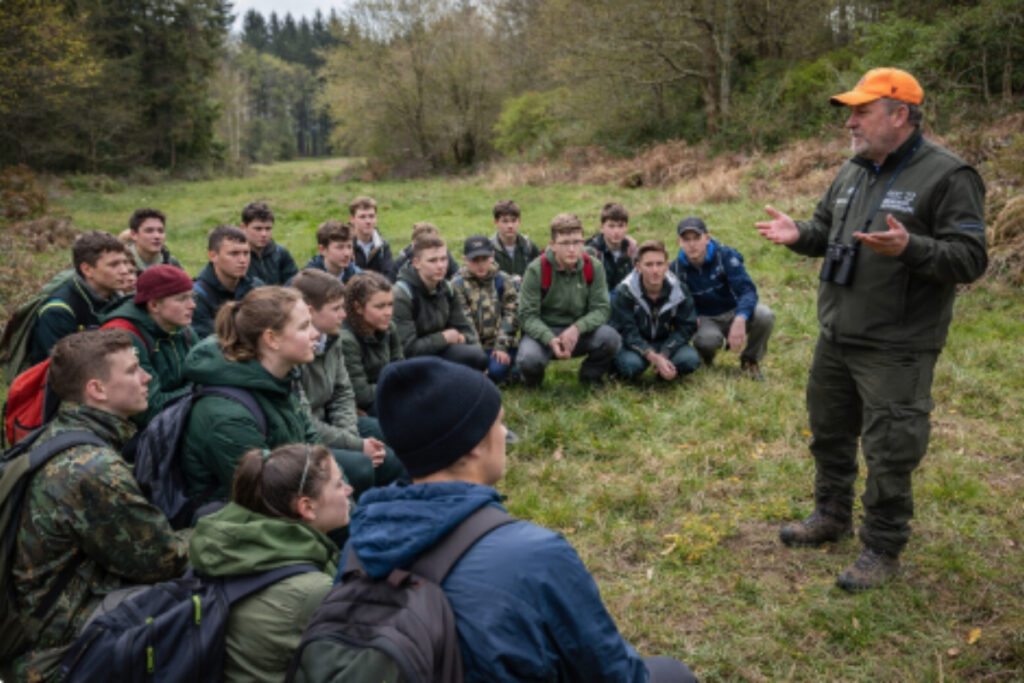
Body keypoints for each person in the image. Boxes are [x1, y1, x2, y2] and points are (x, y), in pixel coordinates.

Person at [755, 67, 988, 591]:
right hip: (837, 334)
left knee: (890, 451)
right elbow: (825, 231)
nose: (850, 123)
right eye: (850, 113)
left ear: (900, 115)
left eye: (862, 112)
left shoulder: (949, 175)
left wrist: (912, 247)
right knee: (829, 432)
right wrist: (799, 234)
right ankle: (831, 514)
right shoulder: (853, 170)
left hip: (896, 345)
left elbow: (971, 258)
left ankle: (882, 546)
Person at [342, 357, 698, 683]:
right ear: (473, 444)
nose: (504, 433)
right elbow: (615, 673)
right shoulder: (535, 555)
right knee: (671, 674)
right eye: (499, 422)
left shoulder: (361, 545)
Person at [9, 329, 189, 681]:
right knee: (199, 599)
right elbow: (165, 560)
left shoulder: (55, 434)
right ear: (97, 390)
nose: (147, 377)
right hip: (57, 652)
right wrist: (214, 529)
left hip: (33, 625)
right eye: (133, 370)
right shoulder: (92, 468)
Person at [188, 444, 351, 683]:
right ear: (307, 507)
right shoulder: (313, 590)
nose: (349, 490)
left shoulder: (230, 547)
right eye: (338, 484)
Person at [181, 286, 322, 505]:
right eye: (304, 327)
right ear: (272, 339)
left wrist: (340, 492)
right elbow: (267, 500)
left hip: (295, 492)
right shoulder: (226, 416)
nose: (316, 333)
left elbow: (315, 446)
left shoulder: (277, 380)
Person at [290, 270, 406, 499]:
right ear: (310, 312)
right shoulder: (296, 351)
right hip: (307, 435)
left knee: (393, 437)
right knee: (364, 466)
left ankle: (393, 500)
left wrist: (351, 438)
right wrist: (356, 445)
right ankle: (356, 508)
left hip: (336, 423)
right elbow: (304, 421)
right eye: (336, 309)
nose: (343, 315)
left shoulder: (331, 339)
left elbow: (343, 393)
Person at [517, 213, 621, 386]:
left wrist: (577, 328)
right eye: (565, 243)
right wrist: (549, 338)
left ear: (583, 243)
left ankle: (590, 377)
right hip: (544, 331)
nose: (572, 249)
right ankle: (533, 384)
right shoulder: (536, 270)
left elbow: (602, 309)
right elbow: (527, 315)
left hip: (580, 332)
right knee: (529, 359)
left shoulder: (594, 266)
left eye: (577, 242)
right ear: (553, 245)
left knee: (611, 338)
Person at [671, 216, 775, 380]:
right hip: (706, 317)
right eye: (686, 239)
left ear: (707, 238)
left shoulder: (725, 256)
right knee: (707, 341)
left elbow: (747, 290)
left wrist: (741, 318)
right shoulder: (676, 269)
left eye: (696, 238)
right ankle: (706, 356)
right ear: (679, 242)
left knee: (765, 315)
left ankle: (750, 360)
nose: (692, 244)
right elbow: (680, 301)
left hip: (734, 310)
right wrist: (692, 315)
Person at [99, 264, 196, 426]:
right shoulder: (124, 337)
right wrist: (199, 390)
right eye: (181, 299)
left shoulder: (182, 328)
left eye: (192, 297)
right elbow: (148, 408)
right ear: (154, 305)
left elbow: (205, 372)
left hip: (173, 417)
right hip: (128, 430)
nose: (192, 305)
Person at [30, 231, 133, 364]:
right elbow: (63, 368)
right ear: (87, 270)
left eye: (125, 262)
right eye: (114, 265)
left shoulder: (119, 299)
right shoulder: (58, 312)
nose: (124, 270)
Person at [393, 233, 488, 371]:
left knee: (478, 357)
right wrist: (444, 338)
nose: (440, 266)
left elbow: (466, 330)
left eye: (444, 259)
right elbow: (407, 349)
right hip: (410, 361)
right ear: (416, 263)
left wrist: (462, 338)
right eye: (432, 261)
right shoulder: (401, 295)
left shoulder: (448, 288)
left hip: (439, 351)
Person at [611, 240, 699, 381]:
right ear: (638, 267)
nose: (655, 271)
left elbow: (686, 327)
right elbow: (625, 329)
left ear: (667, 266)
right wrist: (651, 355)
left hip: (667, 341)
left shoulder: (680, 290)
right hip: (635, 344)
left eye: (659, 264)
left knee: (690, 360)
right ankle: (650, 367)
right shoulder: (625, 291)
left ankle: (664, 371)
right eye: (649, 265)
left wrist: (664, 353)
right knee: (630, 366)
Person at [451, 235, 521, 384]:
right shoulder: (457, 284)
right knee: (474, 369)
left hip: (498, 343)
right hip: (471, 346)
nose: (480, 264)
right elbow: (464, 321)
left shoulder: (503, 279)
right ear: (465, 260)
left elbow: (511, 313)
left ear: (492, 256)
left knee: (495, 371)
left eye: (484, 259)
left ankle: (507, 370)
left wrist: (501, 346)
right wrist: (477, 355)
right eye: (475, 260)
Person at [338, 272, 404, 415]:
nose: (388, 312)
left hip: (387, 391)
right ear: (358, 307)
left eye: (390, 305)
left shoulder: (389, 328)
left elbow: (400, 366)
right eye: (380, 307)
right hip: (365, 405)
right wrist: (397, 386)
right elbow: (361, 394)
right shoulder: (347, 340)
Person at [191, 224, 264, 339]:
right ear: (213, 256)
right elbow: (205, 343)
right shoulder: (197, 296)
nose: (242, 260)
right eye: (234, 254)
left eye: (246, 253)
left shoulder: (256, 286)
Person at [241, 201, 298, 286]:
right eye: (258, 229)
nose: (264, 234)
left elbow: (294, 282)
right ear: (243, 228)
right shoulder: (238, 257)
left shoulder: (281, 253)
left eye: (268, 229)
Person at [586, 202, 638, 294]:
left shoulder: (632, 248)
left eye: (620, 226)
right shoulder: (592, 251)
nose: (616, 231)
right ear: (602, 227)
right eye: (611, 226)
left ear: (626, 227)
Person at [388, 221, 458, 282]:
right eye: (432, 260)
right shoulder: (403, 260)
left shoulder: (444, 254)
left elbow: (456, 274)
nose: (440, 265)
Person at [490, 198, 540, 277]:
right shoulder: (489, 248)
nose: (510, 226)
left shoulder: (528, 245)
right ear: (496, 223)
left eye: (513, 221)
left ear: (519, 221)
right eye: (505, 221)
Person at [125, 208, 184, 273]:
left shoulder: (172, 263)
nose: (157, 236)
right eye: (149, 231)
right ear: (133, 235)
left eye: (160, 231)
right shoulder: (122, 265)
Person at [304, 219, 363, 284]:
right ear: (322, 250)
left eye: (349, 247)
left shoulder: (359, 278)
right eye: (340, 248)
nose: (347, 253)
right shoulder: (307, 280)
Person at [349, 196, 394, 276]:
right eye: (362, 217)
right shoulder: (346, 245)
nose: (368, 221)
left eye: (371, 216)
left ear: (377, 217)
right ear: (352, 219)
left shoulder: (383, 246)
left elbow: (389, 276)